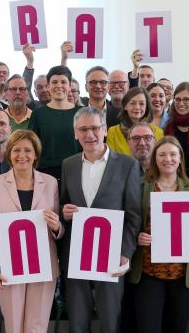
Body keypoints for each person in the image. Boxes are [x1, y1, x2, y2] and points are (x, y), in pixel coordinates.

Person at [58, 107, 144, 333]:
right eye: (83, 129)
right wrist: (63, 213)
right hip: (76, 255)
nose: (90, 135)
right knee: (77, 322)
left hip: (111, 255)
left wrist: (125, 253)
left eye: (95, 128)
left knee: (110, 321)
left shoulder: (127, 165)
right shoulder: (69, 165)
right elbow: (63, 205)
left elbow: (134, 215)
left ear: (105, 130)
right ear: (75, 133)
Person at [0, 130, 62, 333]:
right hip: (9, 267)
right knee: (13, 326)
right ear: (9, 154)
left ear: (36, 154)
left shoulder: (51, 182)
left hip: (43, 266)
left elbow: (59, 231)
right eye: (17, 150)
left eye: (28, 150)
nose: (22, 155)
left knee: (37, 326)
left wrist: (57, 227)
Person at [128, 137, 189, 332]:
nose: (168, 159)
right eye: (162, 154)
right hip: (149, 272)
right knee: (148, 327)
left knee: (176, 328)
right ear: (154, 158)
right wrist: (137, 237)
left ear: (180, 158)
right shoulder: (141, 186)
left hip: (182, 274)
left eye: (173, 154)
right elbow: (129, 222)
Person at [28, 65, 84, 179]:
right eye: (54, 82)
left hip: (77, 172)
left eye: (63, 82)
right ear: (48, 86)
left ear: (69, 86)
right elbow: (32, 145)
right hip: (45, 173)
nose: (59, 85)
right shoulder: (38, 114)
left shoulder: (81, 113)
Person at [107, 87, 164, 155]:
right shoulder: (113, 132)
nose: (137, 107)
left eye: (141, 104)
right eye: (133, 103)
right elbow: (112, 161)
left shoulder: (158, 133)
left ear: (146, 107)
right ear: (125, 106)